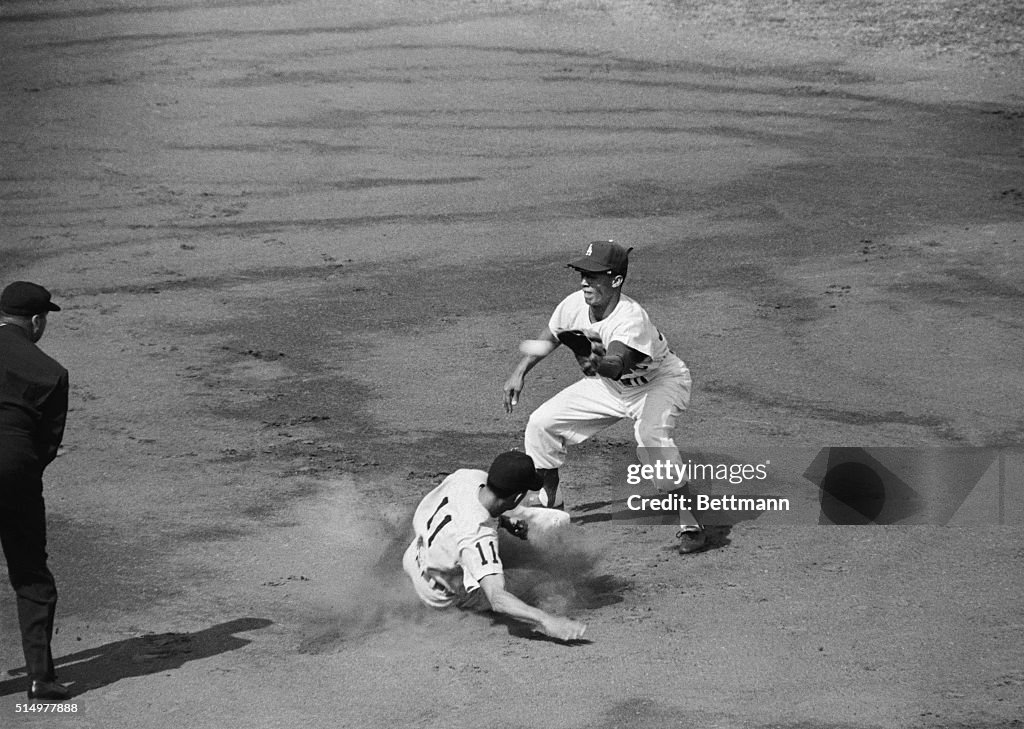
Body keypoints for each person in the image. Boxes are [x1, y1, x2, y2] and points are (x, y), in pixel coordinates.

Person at [502, 241, 708, 554]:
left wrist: (597, 363)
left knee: (652, 441)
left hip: (658, 384)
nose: (585, 281)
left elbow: (617, 363)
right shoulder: (573, 304)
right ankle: (552, 503)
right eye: (582, 273)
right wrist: (519, 372)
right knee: (542, 423)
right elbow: (551, 335)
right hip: (612, 388)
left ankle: (690, 521)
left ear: (616, 280)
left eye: (594, 275)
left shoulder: (630, 318)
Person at [403, 450, 587, 642]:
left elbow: (461, 513)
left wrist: (505, 522)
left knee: (481, 557)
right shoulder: (478, 537)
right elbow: (497, 598)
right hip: (437, 595)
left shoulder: (467, 477)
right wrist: (547, 620)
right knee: (541, 576)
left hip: (414, 556)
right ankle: (468, 605)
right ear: (516, 498)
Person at [0, 281, 72, 700]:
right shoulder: (50, 371)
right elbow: (47, 444)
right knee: (30, 573)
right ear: (37, 322)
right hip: (15, 473)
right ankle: (40, 678)